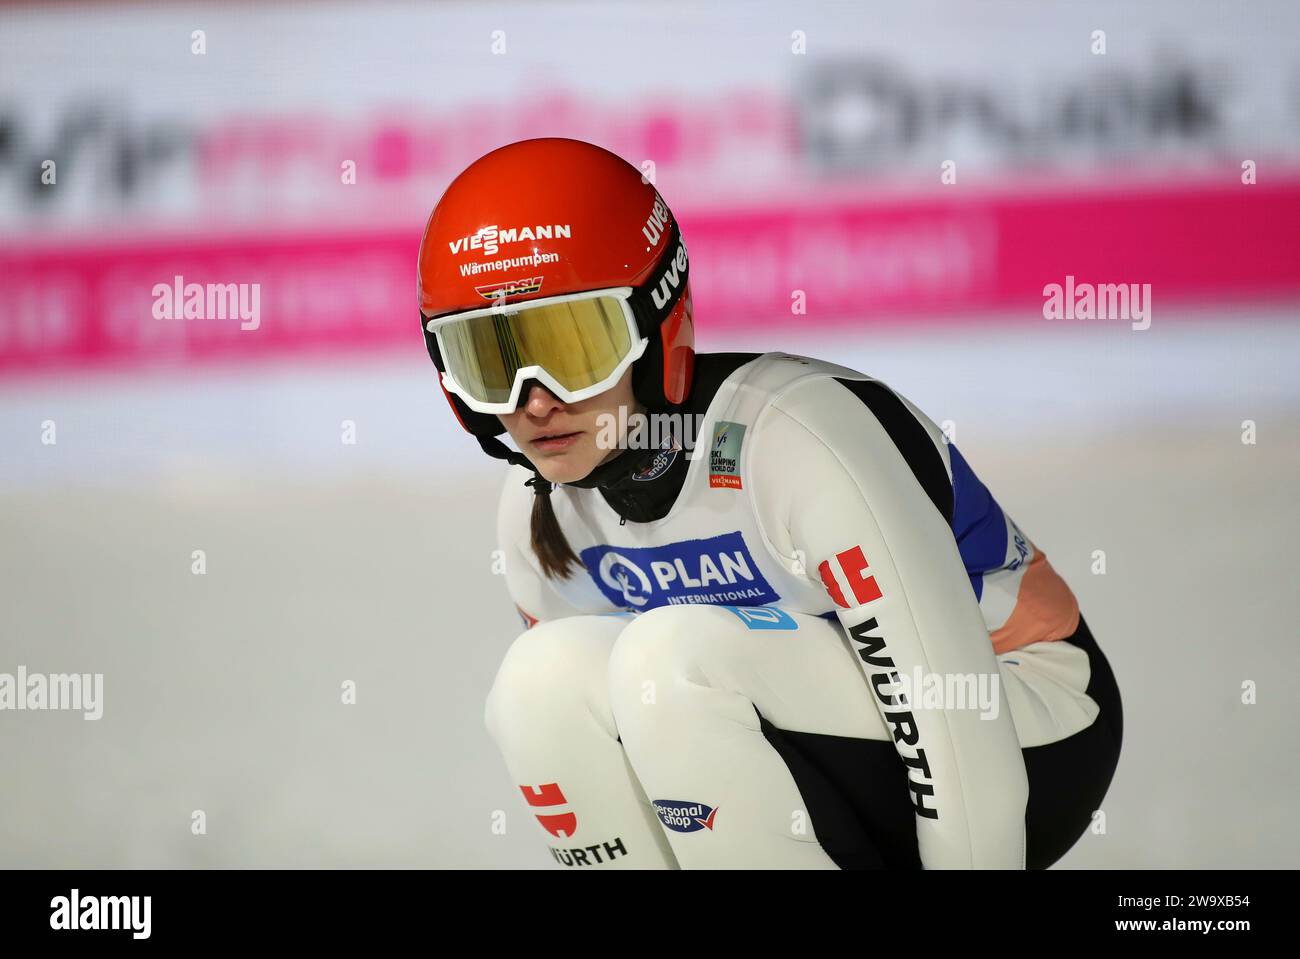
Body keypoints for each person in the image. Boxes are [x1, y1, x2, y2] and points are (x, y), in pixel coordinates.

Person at [417, 137, 1123, 869]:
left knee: (670, 662)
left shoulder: (796, 438)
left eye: (573, 348)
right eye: (491, 362)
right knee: (540, 681)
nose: (535, 400)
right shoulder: (531, 517)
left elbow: (947, 716)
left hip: (1025, 726)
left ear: (658, 324)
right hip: (813, 728)